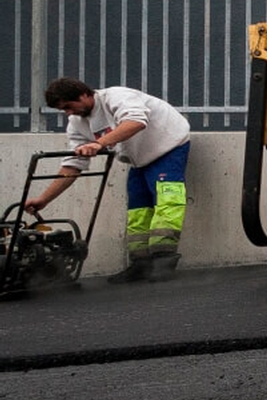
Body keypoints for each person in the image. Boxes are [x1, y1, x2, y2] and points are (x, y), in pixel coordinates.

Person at [24, 78, 192, 283]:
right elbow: (73, 164)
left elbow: (136, 121)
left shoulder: (116, 96)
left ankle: (163, 261)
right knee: (138, 209)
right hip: (138, 159)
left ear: (84, 94)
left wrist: (98, 144)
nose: (68, 113)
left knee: (168, 200)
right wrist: (44, 199)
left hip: (168, 147)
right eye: (63, 110)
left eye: (69, 106)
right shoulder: (77, 123)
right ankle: (140, 264)